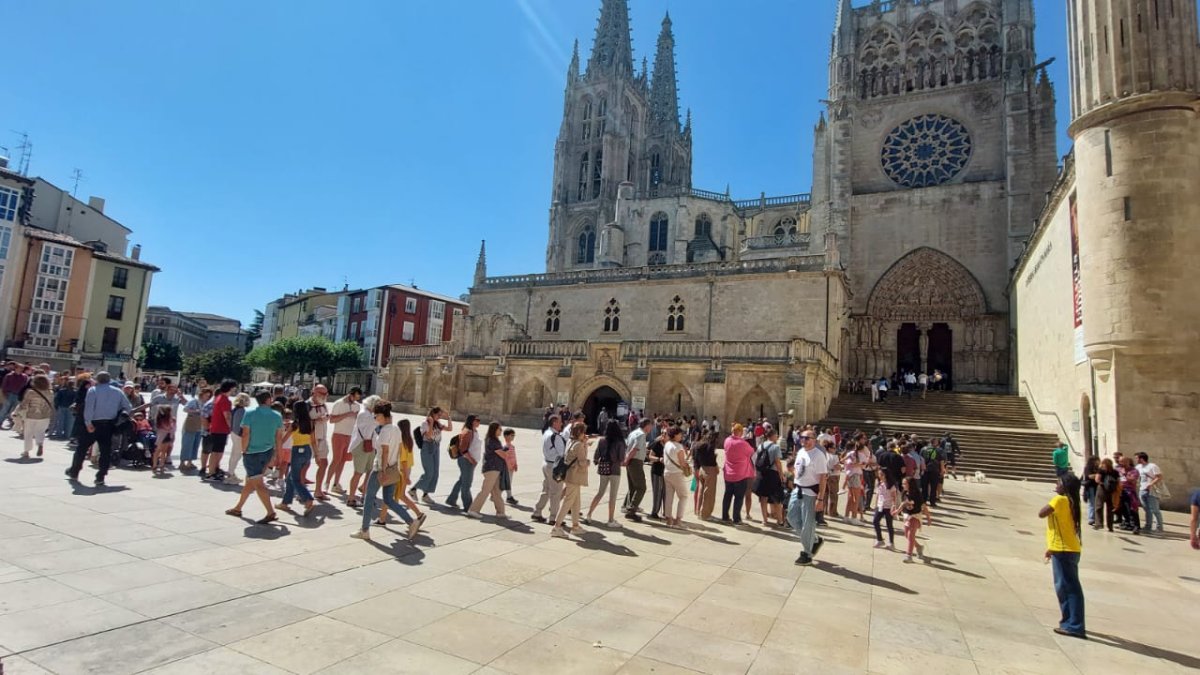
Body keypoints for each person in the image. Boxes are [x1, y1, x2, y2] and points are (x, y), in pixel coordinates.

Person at [351, 402, 424, 542]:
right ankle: (411, 522)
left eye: (376, 415)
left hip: (381, 469)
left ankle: (364, 530)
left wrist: (383, 471)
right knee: (389, 500)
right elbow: (398, 449)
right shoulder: (396, 429)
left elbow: (385, 451)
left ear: (383, 415)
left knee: (368, 498)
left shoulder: (385, 431)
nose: (375, 418)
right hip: (393, 468)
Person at [1039, 473, 1086, 639]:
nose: (1056, 484)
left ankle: (1074, 625)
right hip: (1068, 548)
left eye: (1058, 482)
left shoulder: (1060, 500)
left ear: (1065, 486)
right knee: (1068, 587)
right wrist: (1051, 548)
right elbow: (1064, 528)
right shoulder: (1073, 502)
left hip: (1064, 550)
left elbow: (1042, 513)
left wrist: (1056, 497)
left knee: (1067, 588)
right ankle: (1070, 622)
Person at [225, 391, 283, 524]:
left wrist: (244, 449)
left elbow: (245, 433)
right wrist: (279, 455)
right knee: (251, 480)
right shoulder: (277, 415)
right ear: (269, 399)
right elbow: (278, 437)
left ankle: (270, 512)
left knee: (257, 482)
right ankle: (238, 507)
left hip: (252, 452)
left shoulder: (250, 413)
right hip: (267, 451)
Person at [66, 372, 133, 487]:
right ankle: (101, 476)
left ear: (97, 379)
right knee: (105, 451)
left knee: (81, 448)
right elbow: (128, 407)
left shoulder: (93, 390)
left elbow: (89, 408)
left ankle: (75, 471)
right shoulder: (118, 391)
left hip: (94, 423)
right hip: (109, 424)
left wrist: (88, 423)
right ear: (109, 380)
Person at [788, 430, 827, 566]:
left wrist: (820, 499)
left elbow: (823, 478)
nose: (803, 440)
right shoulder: (801, 451)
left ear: (814, 440)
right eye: (801, 437)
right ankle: (814, 540)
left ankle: (807, 553)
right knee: (791, 518)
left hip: (810, 493)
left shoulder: (819, 455)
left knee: (807, 524)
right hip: (797, 489)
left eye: (807, 438)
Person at [277, 401, 317, 517]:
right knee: (290, 478)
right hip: (307, 451)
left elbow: (284, 439)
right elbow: (313, 441)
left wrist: (276, 446)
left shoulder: (295, 424)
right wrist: (317, 455)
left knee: (295, 479)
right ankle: (285, 502)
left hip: (297, 451)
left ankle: (308, 500)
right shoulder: (310, 423)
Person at [551, 422, 590, 538]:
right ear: (580, 432)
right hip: (575, 476)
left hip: (570, 476)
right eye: (583, 432)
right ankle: (557, 526)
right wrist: (587, 462)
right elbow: (582, 461)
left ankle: (575, 525)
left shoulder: (570, 441)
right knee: (568, 502)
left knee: (576, 502)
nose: (585, 434)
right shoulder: (578, 445)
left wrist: (584, 444)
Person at [585, 420, 626, 527]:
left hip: (604, 468)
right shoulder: (620, 442)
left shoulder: (602, 440)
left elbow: (596, 455)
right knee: (613, 496)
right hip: (615, 470)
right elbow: (621, 458)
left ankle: (589, 514)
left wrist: (596, 460)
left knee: (600, 492)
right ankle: (610, 520)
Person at [467, 422, 510, 519]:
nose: (501, 431)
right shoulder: (492, 441)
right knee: (485, 490)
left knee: (496, 491)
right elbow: (502, 454)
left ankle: (500, 512)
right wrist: (505, 451)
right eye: (499, 429)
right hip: (492, 469)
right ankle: (473, 510)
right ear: (494, 429)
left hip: (495, 468)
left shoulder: (494, 440)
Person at [411, 407, 453, 505]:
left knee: (435, 473)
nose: (439, 417)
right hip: (427, 448)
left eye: (440, 415)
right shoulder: (425, 424)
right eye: (438, 415)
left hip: (436, 447)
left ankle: (426, 495)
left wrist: (449, 418)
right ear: (433, 414)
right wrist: (431, 424)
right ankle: (413, 489)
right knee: (429, 472)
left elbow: (450, 429)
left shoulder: (438, 424)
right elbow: (429, 435)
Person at [346, 395, 382, 508]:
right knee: (358, 472)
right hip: (361, 445)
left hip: (370, 445)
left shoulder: (370, 414)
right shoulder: (364, 414)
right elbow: (377, 423)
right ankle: (351, 498)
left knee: (370, 471)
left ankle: (364, 493)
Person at [326, 387, 362, 496]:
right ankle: (326, 483)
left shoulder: (357, 406)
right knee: (336, 459)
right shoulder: (339, 403)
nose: (356, 400)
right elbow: (331, 420)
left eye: (358, 398)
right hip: (339, 434)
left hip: (351, 436)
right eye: (355, 397)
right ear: (350, 394)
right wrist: (347, 414)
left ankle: (336, 484)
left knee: (343, 460)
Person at [532, 415, 567, 523]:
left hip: (546, 463)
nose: (562, 424)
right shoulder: (555, 436)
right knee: (556, 492)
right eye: (560, 422)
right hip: (554, 466)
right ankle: (554, 517)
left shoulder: (547, 433)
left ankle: (537, 511)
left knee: (546, 489)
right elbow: (562, 453)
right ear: (554, 423)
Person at [201, 380, 236, 481]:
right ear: (230, 388)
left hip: (216, 428)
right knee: (216, 452)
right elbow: (227, 416)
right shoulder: (225, 400)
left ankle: (213, 471)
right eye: (233, 388)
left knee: (216, 451)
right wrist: (232, 428)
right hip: (220, 429)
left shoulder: (219, 398)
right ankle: (212, 473)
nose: (235, 390)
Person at [721, 424, 755, 524]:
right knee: (739, 497)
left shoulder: (727, 440)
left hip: (728, 473)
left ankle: (725, 516)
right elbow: (751, 452)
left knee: (727, 495)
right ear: (740, 432)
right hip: (740, 474)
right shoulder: (743, 443)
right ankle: (737, 518)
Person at [446, 415, 481, 510]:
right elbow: (463, 449)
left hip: (470, 461)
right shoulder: (468, 432)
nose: (479, 422)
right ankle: (469, 507)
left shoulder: (474, 431)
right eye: (477, 420)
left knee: (462, 481)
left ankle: (451, 499)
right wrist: (471, 460)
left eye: (479, 420)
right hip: (466, 461)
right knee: (466, 484)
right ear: (472, 421)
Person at [753, 428, 787, 527]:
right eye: (776, 435)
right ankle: (780, 520)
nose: (777, 437)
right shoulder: (775, 447)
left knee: (763, 497)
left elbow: (756, 459)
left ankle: (764, 520)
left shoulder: (760, 446)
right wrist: (781, 475)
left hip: (762, 473)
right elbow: (777, 462)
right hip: (773, 474)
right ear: (773, 436)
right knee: (776, 497)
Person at [622, 418, 652, 522]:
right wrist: (627, 459)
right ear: (647, 425)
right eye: (650, 426)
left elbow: (628, 446)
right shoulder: (641, 435)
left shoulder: (633, 433)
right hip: (635, 461)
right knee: (641, 487)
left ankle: (626, 505)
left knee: (633, 486)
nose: (651, 428)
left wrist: (626, 459)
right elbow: (635, 449)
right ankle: (632, 510)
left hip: (631, 461)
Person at [306, 385, 331, 501]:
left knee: (324, 463)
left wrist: (326, 418)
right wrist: (316, 420)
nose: (325, 396)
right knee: (304, 464)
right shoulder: (307, 405)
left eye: (326, 393)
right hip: (309, 439)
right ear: (314, 392)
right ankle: (300, 490)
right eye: (322, 393)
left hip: (322, 438)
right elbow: (302, 422)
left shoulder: (323, 404)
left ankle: (318, 490)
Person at [18, 375, 53, 459]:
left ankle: (26, 451)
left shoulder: (31, 392)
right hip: (45, 415)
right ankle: (40, 444)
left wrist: (19, 411)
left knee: (28, 433)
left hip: (31, 415)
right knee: (41, 431)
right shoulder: (50, 392)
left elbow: (24, 403)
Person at [661, 427, 689, 529]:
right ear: (675, 435)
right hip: (677, 474)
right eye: (680, 434)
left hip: (667, 472)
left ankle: (669, 519)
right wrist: (687, 464)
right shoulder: (678, 447)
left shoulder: (667, 444)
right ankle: (678, 520)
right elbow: (682, 463)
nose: (681, 436)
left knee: (669, 496)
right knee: (683, 496)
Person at [179, 388, 209, 472]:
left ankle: (190, 461)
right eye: (206, 395)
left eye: (208, 396)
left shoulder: (206, 403)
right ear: (202, 395)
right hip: (191, 424)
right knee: (187, 443)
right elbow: (185, 409)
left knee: (195, 444)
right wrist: (196, 410)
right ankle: (182, 462)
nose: (207, 397)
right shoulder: (194, 401)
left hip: (200, 426)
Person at [1134, 452, 1164, 534]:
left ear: (1141, 459)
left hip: (1151, 490)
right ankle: (1148, 526)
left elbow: (1159, 477)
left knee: (1155, 509)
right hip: (1142, 490)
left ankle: (1159, 527)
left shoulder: (1152, 466)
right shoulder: (1138, 467)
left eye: (1137, 458)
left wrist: (1151, 484)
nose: (1136, 460)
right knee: (1146, 509)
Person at [899, 476, 927, 563]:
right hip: (907, 516)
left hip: (915, 516)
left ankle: (909, 555)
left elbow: (923, 505)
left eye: (904, 483)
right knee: (907, 535)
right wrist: (897, 511)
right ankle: (918, 547)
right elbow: (903, 504)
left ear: (910, 484)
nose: (903, 485)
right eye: (902, 483)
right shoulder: (904, 493)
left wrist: (928, 517)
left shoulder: (917, 494)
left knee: (911, 535)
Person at [692, 431, 719, 521]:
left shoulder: (698, 445)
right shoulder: (709, 446)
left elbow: (695, 459)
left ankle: (698, 510)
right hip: (710, 470)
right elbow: (712, 460)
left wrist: (696, 468)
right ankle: (705, 514)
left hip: (701, 469)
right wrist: (716, 467)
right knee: (709, 493)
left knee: (700, 491)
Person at [225, 393, 251, 484]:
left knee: (234, 454)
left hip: (234, 433)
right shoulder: (241, 411)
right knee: (236, 455)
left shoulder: (236, 409)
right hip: (238, 434)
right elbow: (239, 425)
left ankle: (231, 473)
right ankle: (230, 475)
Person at [1092, 458, 1120, 532]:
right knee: (1110, 508)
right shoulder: (1115, 472)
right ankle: (1110, 526)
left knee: (1098, 506)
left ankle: (1099, 524)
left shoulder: (1101, 471)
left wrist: (1103, 484)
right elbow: (1118, 481)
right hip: (1111, 491)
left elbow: (1097, 479)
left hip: (1102, 489)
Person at [873, 469, 898, 549]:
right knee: (875, 521)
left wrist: (894, 506)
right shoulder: (879, 484)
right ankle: (879, 539)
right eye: (879, 474)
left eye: (881, 474)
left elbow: (894, 496)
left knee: (889, 525)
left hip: (888, 506)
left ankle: (891, 542)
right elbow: (878, 494)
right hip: (880, 506)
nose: (880, 476)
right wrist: (875, 504)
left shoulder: (891, 485)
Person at [151, 406, 175, 475]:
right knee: (158, 451)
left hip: (167, 436)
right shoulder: (161, 419)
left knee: (164, 451)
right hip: (162, 436)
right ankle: (155, 465)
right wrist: (172, 424)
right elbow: (167, 427)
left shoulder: (168, 419)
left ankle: (161, 465)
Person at [499, 428, 519, 505]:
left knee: (508, 483)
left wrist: (515, 464)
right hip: (507, 468)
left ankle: (507, 496)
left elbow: (514, 456)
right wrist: (508, 466)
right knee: (506, 483)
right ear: (506, 436)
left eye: (514, 435)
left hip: (511, 468)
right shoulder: (505, 446)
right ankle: (507, 497)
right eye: (512, 435)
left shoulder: (512, 446)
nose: (513, 437)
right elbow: (504, 458)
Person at [1081, 456, 1100, 526]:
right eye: (1097, 460)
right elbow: (1089, 476)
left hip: (1097, 487)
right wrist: (1098, 475)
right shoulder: (1088, 468)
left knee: (1096, 503)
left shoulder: (1098, 468)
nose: (1098, 462)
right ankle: (1091, 518)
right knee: (1092, 502)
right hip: (1091, 487)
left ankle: (1095, 518)